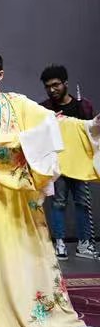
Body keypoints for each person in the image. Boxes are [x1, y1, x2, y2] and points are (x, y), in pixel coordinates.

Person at [0, 50, 100, 327]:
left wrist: (89, 127)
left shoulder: (17, 102)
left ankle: (43, 311)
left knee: (31, 248)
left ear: (0, 75)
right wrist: (33, 139)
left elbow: (51, 121)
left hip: (21, 191)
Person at [39, 64, 97, 260]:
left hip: (80, 164)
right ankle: (60, 244)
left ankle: (84, 244)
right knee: (58, 203)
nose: (52, 89)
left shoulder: (84, 106)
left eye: (55, 85)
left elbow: (92, 133)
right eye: (48, 86)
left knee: (82, 203)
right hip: (58, 164)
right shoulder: (44, 109)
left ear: (65, 83)